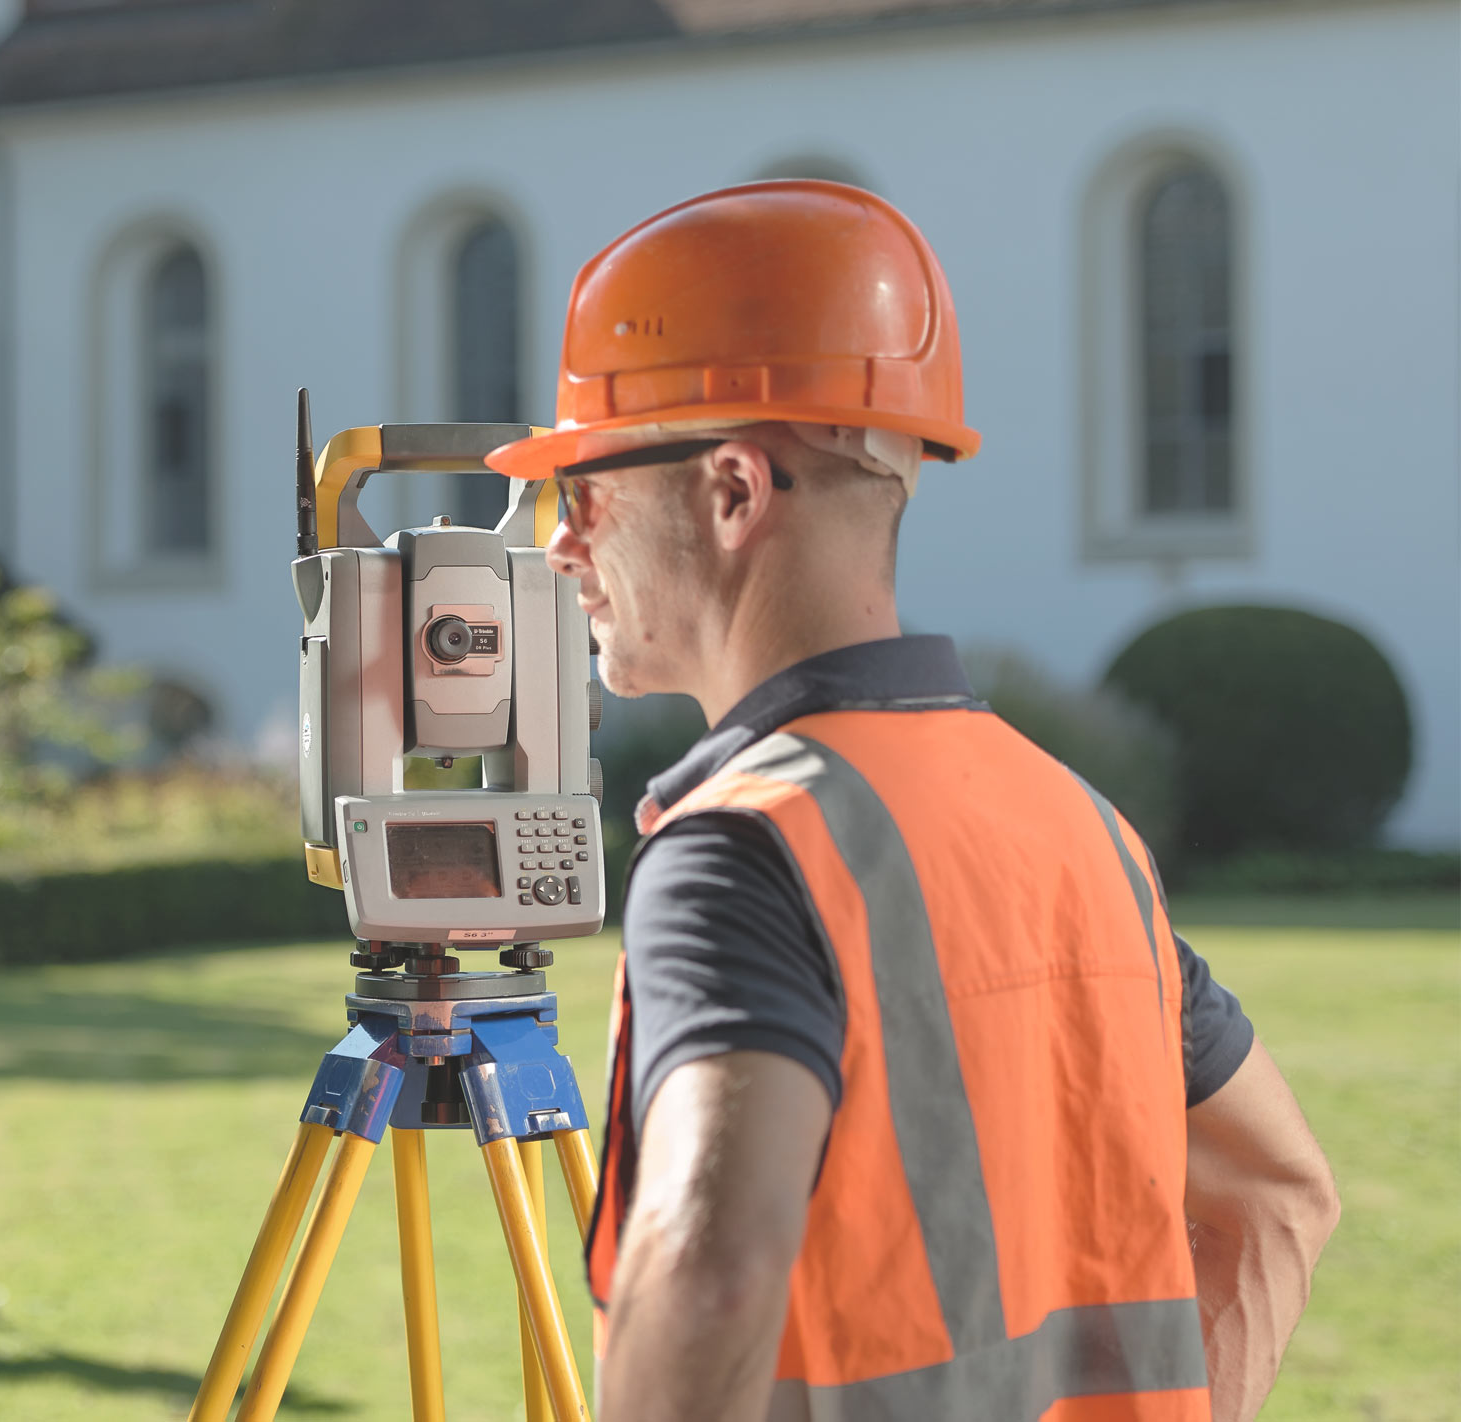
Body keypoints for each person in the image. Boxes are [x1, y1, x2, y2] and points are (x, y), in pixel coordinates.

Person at [484, 180, 1339, 1421]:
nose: (559, 547)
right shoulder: (1076, 821)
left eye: (583, 492)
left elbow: (708, 1279)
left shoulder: (743, 849)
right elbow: (1277, 1191)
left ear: (732, 490)